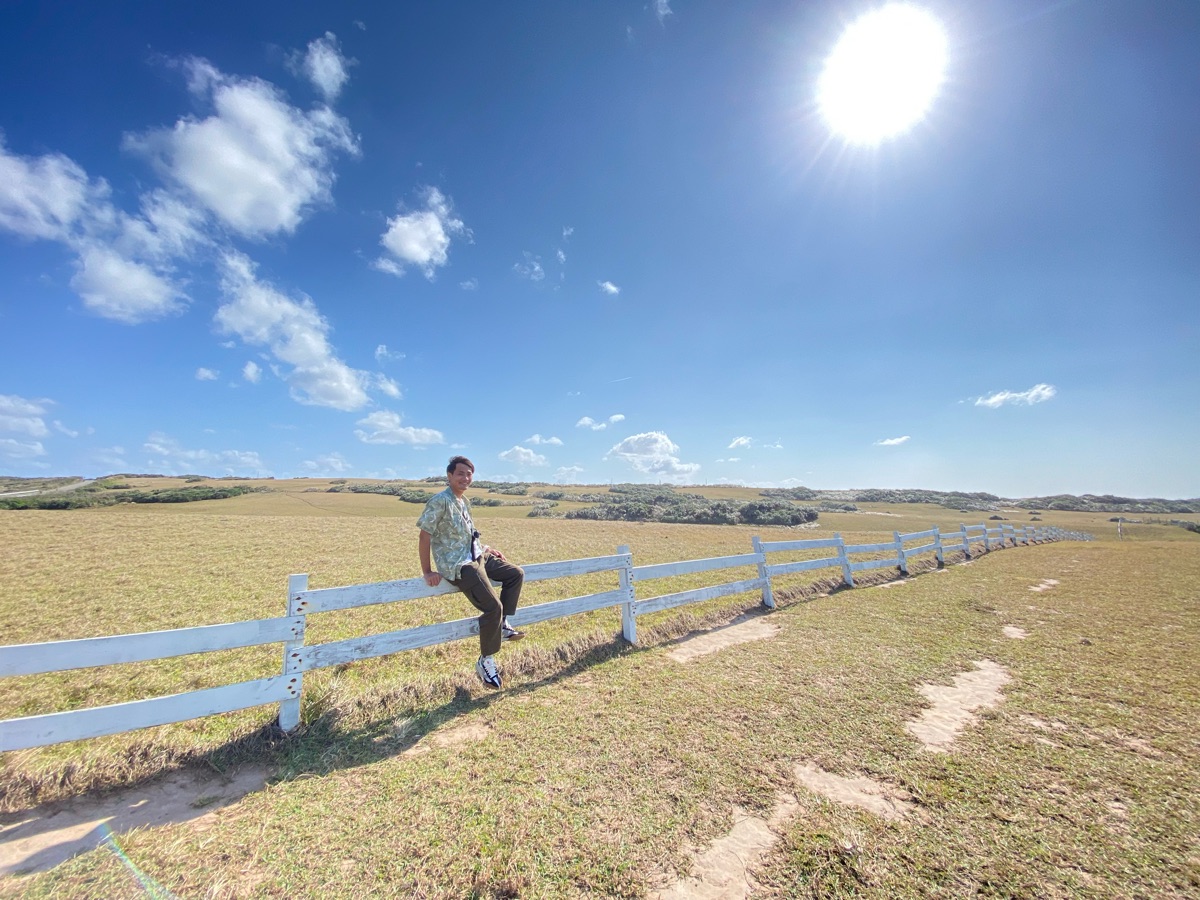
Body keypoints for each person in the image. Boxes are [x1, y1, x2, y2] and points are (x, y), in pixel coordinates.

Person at [417, 456, 525, 689]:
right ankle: (486, 661)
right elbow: (424, 535)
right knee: (492, 607)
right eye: (460, 474)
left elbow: (469, 535)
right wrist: (427, 571)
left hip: (475, 555)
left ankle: (503, 624)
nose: (465, 478)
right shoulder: (440, 501)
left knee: (515, 574)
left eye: (469, 474)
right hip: (458, 564)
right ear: (449, 476)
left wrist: (486, 549)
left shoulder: (463, 501)